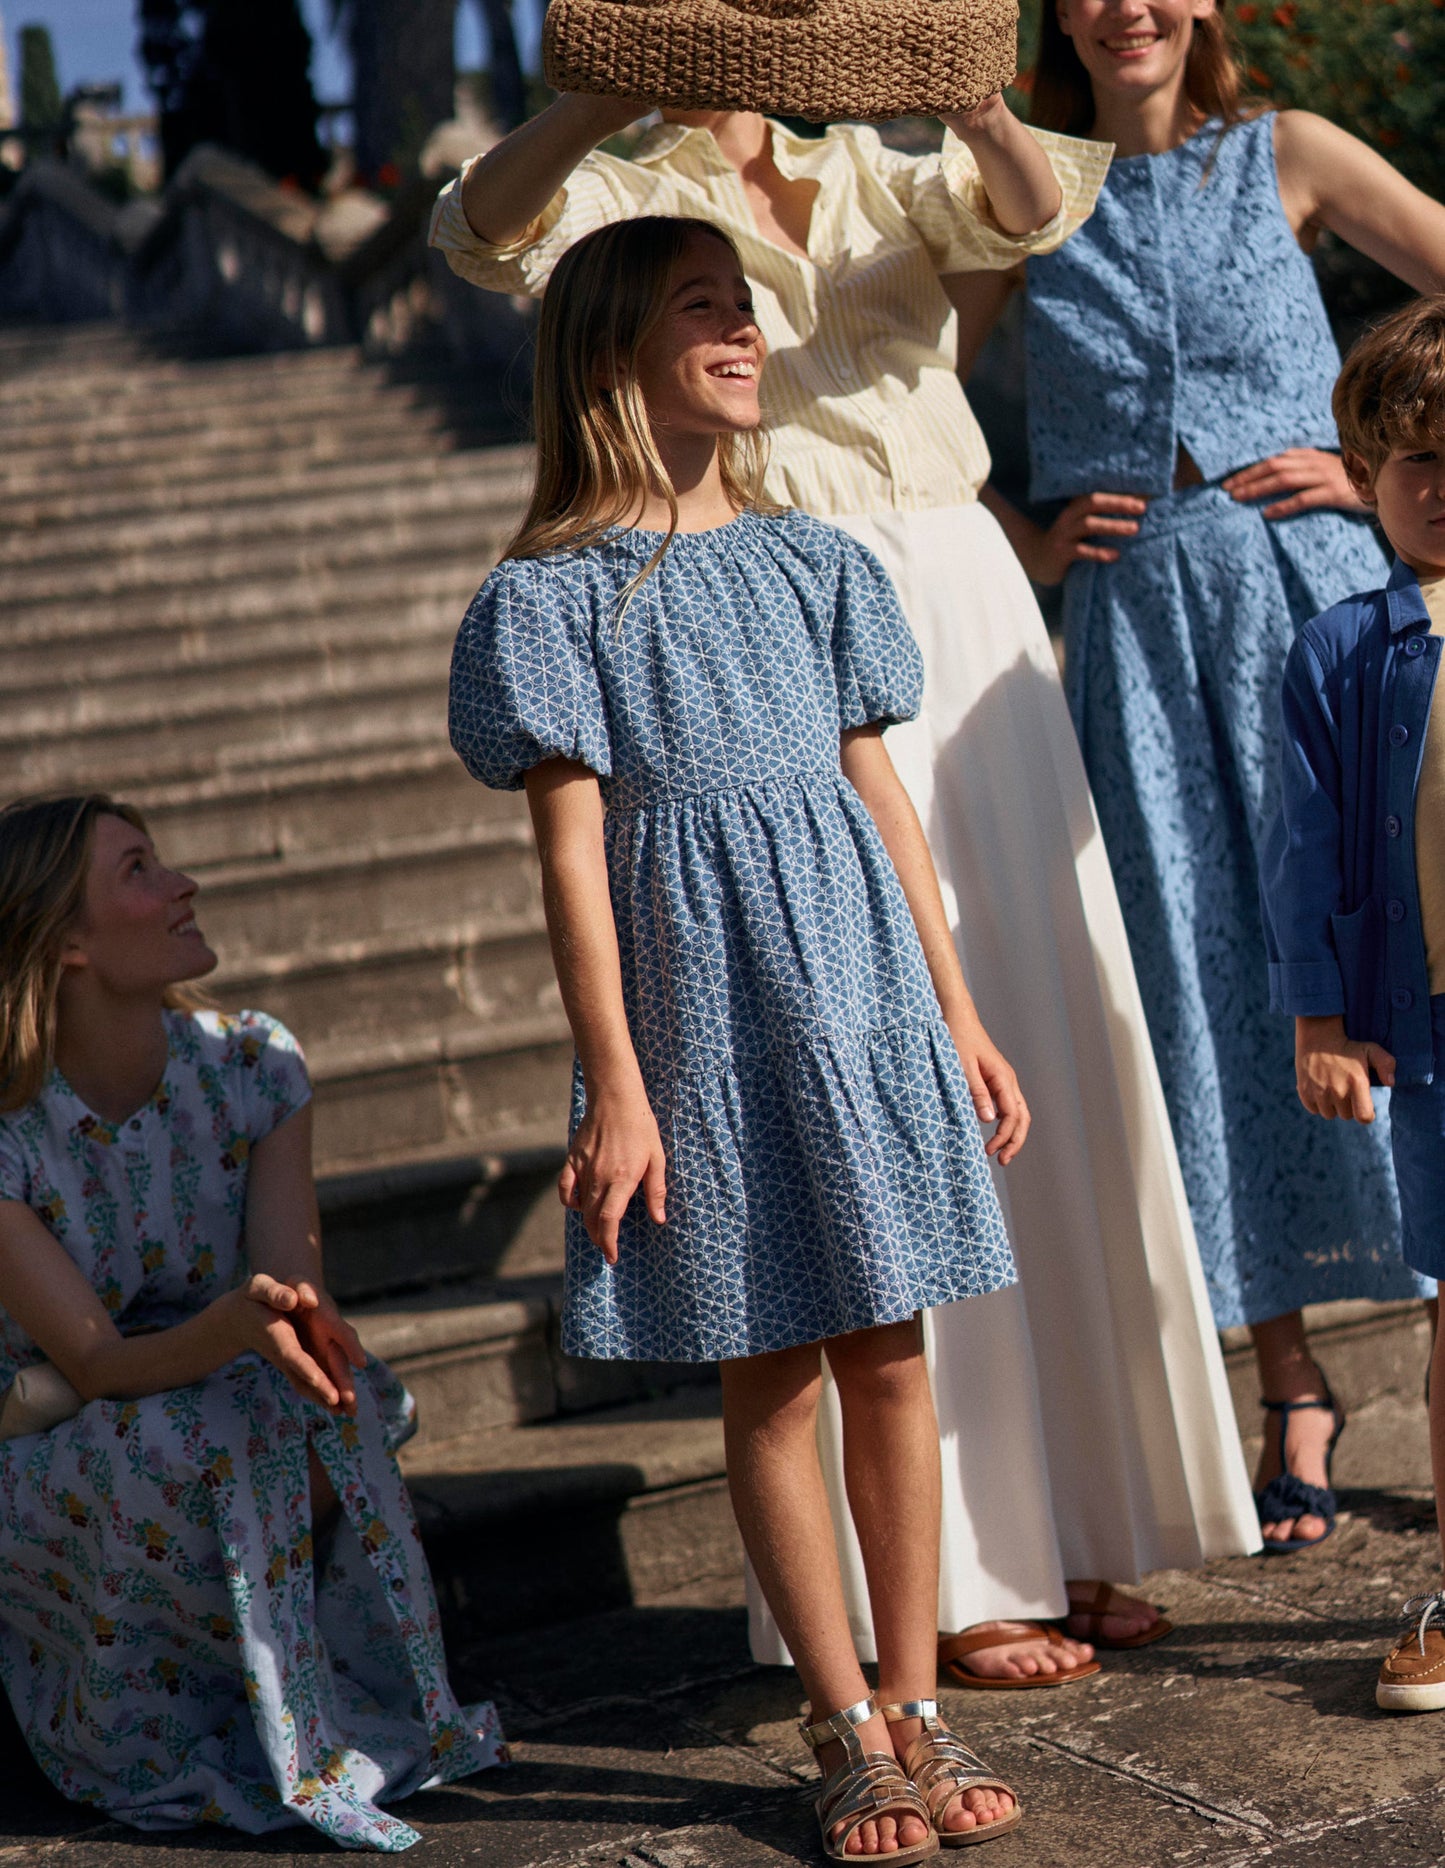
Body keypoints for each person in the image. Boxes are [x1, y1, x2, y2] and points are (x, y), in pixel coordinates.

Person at [432, 79, 1258, 1673]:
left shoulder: (885, 161)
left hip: (936, 592)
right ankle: (933, 1615)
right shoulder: (622, 194)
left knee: (1028, 1073)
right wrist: (599, 100)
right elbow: (480, 230)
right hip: (746, 637)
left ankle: (1078, 1525)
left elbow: (1035, 212)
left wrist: (965, 94)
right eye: (706, 309)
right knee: (801, 1319)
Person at [449, 211, 1027, 1859]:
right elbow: (573, 858)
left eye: (746, 308)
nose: (746, 332)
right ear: (611, 352)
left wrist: (958, 1011)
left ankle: (916, 1702)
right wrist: (618, 1087)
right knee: (769, 1365)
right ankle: (840, 1725)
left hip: (859, 989)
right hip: (701, 1011)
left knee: (893, 1347)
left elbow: (882, 803)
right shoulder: (548, 598)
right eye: (703, 308)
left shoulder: (815, 560)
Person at [948, 0, 1445, 1551]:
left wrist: (1372, 472)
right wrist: (1025, 541)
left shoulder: (1287, 151)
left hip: (1316, 601)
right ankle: (1288, 1381)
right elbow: (896, 390)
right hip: (1137, 643)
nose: (1127, 8)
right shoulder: (1024, 194)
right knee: (1197, 982)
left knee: (1397, 948)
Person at [0, 794, 505, 1849]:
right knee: (188, 1434)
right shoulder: (11, 1132)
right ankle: (150, 1733)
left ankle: (313, 1712)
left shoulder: (251, 1063)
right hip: (56, 1427)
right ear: (68, 943)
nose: (182, 884)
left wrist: (296, 1329)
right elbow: (94, 1362)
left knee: (324, 1404)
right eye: (139, 870)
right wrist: (240, 1326)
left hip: (219, 1382)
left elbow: (288, 1288)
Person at [1260, 297, 1445, 1699]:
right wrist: (1320, 1017)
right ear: (1364, 476)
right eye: (1414, 460)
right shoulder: (1338, 650)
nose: (1439, 487)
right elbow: (1302, 844)